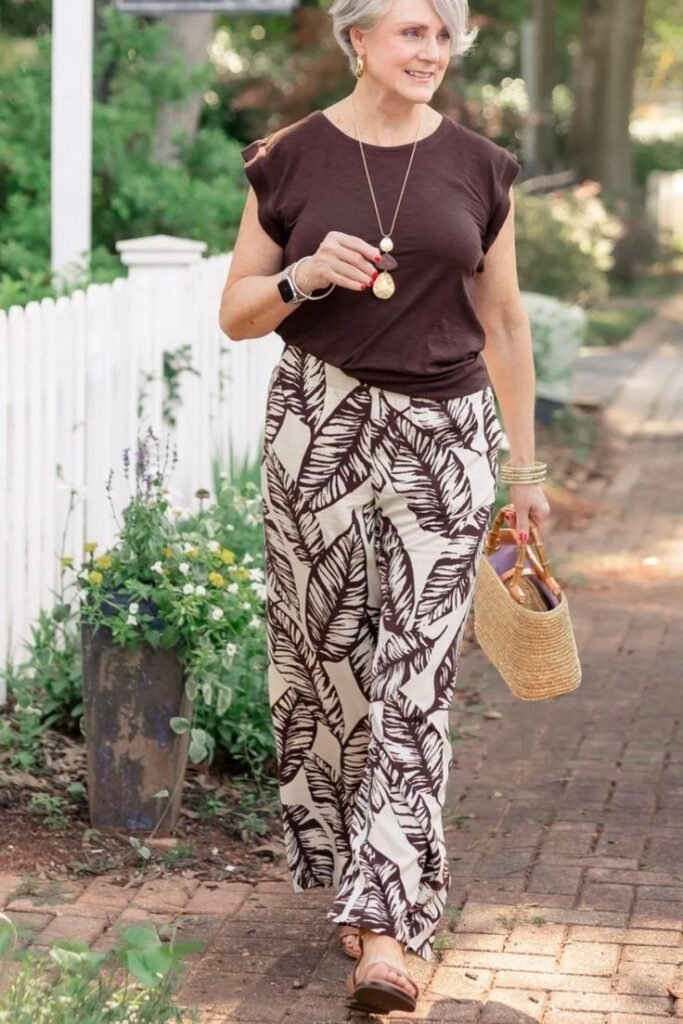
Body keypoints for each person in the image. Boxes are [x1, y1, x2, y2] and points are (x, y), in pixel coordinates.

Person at [219, 0, 550, 1014]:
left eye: (443, 36)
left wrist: (525, 468)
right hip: (314, 428)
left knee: (415, 679)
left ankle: (392, 929)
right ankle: (355, 892)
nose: (431, 52)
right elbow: (236, 312)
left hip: (443, 440)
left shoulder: (482, 168)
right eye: (412, 32)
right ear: (355, 39)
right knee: (329, 669)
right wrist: (303, 273)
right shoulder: (286, 158)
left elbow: (501, 320)